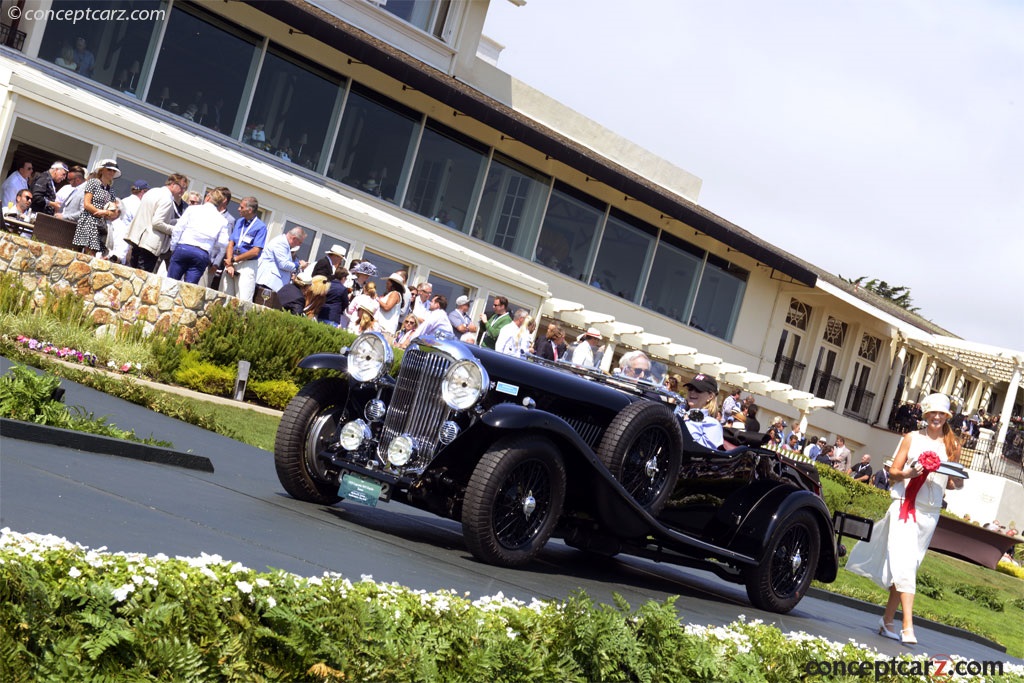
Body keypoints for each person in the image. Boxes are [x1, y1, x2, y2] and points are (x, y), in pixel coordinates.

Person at [846, 393, 962, 646]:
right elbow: (894, 472)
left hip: (930, 513)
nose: (937, 417)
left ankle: (887, 620)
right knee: (906, 565)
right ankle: (908, 626)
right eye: (932, 413)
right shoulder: (911, 438)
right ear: (926, 415)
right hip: (904, 506)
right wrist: (908, 472)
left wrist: (958, 480)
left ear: (946, 417)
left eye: (941, 414)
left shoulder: (953, 444)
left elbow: (952, 484)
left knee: (908, 566)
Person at [125, 173, 189, 272]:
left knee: (131, 275)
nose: (183, 191)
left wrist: (176, 221)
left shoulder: (152, 192)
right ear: (172, 184)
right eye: (182, 187)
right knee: (143, 278)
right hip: (150, 243)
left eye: (185, 189)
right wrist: (175, 230)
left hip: (137, 239)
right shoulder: (167, 199)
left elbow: (150, 217)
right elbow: (157, 222)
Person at [167, 188, 231, 284]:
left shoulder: (192, 209)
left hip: (184, 247)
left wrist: (173, 247)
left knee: (170, 283)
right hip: (202, 253)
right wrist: (212, 245)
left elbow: (178, 229)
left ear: (208, 198)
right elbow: (223, 242)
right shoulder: (223, 220)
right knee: (189, 288)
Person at [220, 196, 267, 302]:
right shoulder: (240, 222)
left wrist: (234, 260)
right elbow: (231, 243)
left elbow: (255, 251)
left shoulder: (261, 227)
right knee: (224, 296)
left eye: (241, 207)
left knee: (243, 299)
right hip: (232, 261)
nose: (238, 209)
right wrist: (230, 263)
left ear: (249, 210)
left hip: (247, 264)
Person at [72, 159, 121, 256]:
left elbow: (114, 212)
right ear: (102, 170)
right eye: (109, 170)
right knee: (87, 252)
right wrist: (102, 212)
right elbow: (87, 204)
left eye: (113, 171)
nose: (111, 172)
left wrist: (105, 213)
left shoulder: (111, 190)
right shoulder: (93, 183)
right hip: (89, 220)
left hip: (101, 224)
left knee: (93, 253)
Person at [255, 226, 307, 296]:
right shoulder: (281, 243)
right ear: (294, 238)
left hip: (272, 284)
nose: (299, 245)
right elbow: (284, 264)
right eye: (300, 242)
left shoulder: (284, 243)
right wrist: (300, 265)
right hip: (268, 283)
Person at [106, 180, 148, 263]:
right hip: (125, 240)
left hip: (113, 232)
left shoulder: (124, 200)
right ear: (143, 191)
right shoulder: (139, 205)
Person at [681, 373, 724, 449]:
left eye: (698, 390)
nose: (692, 392)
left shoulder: (712, 424)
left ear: (710, 396)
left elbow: (704, 454)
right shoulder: (679, 412)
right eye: (690, 388)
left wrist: (693, 420)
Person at [377, 272, 406, 337]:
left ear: (393, 284)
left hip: (386, 328)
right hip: (382, 327)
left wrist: (377, 299)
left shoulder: (395, 294)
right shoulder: (391, 294)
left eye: (388, 283)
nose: (386, 285)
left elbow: (387, 307)